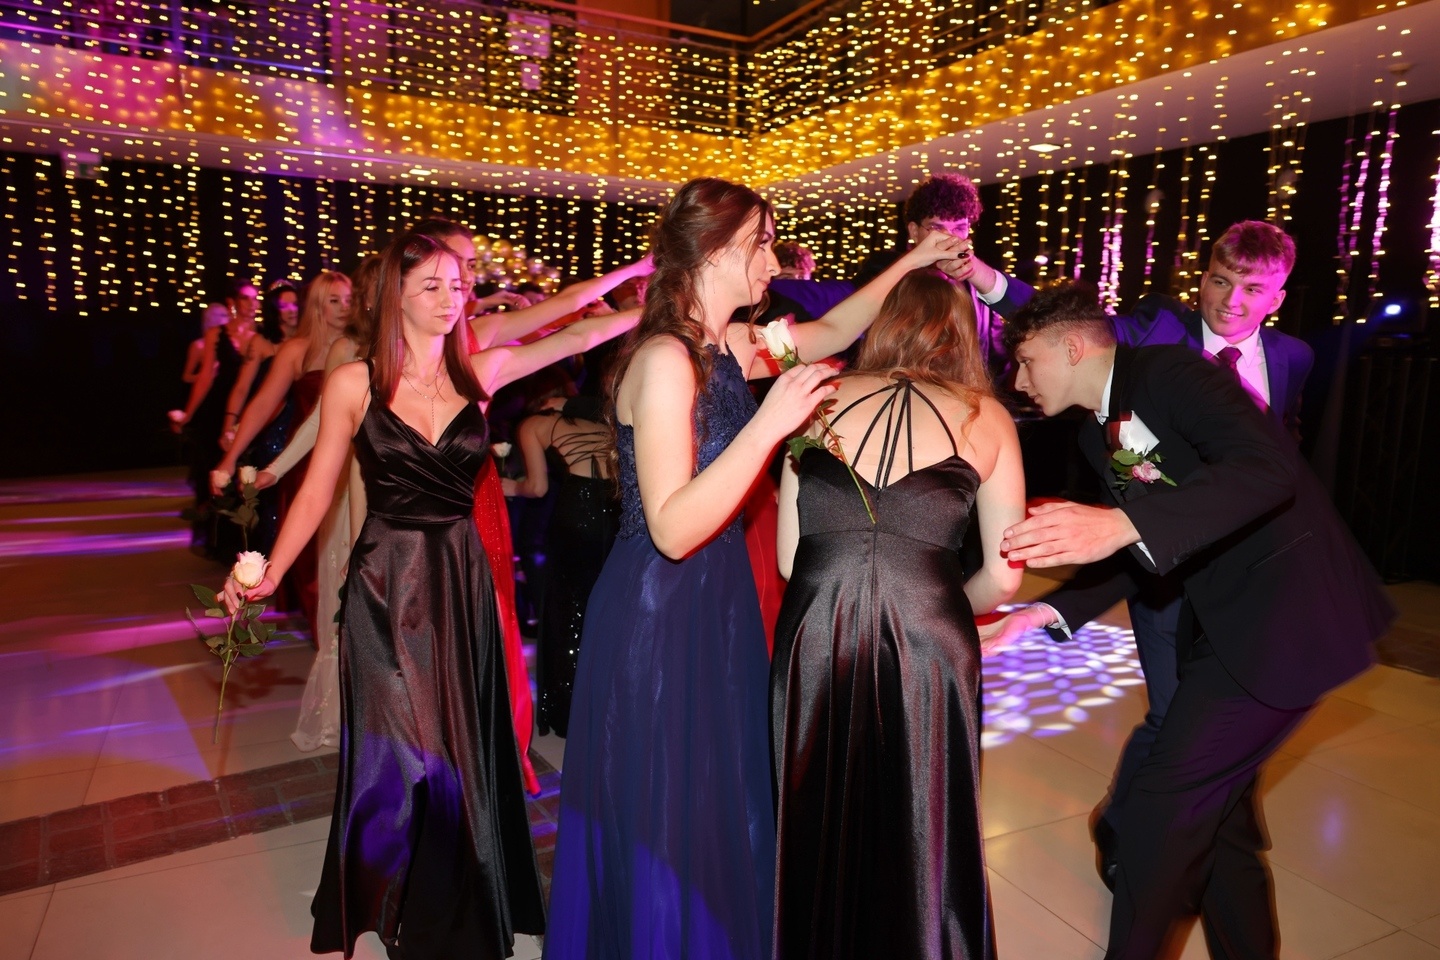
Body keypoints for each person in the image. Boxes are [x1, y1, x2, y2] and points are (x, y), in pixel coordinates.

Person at [544, 177, 965, 959]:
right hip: (658, 611)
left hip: (719, 597)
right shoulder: (665, 361)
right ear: (714, 251)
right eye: (762, 243)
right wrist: (770, 425)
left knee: (719, 794)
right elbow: (672, 528)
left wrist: (914, 260)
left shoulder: (731, 346)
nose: (774, 261)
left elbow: (835, 327)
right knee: (667, 807)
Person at [980, 280, 1394, 960]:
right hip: (1225, 630)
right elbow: (1137, 551)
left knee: (1156, 811)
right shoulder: (1092, 433)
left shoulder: (1171, 372)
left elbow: (1266, 469)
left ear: (1072, 346)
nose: (1019, 381)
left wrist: (1122, 522)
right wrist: (1042, 613)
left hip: (1289, 623)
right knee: (1221, 824)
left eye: (1025, 361)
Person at [221, 231, 548, 958]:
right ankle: (392, 893)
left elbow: (582, 330)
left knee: (457, 747)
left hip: (460, 580)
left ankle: (451, 898)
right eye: (431, 285)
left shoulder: (479, 372)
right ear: (393, 295)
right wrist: (269, 570)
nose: (450, 298)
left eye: (458, 284)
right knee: (399, 752)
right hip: (385, 583)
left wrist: (654, 287)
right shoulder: (354, 382)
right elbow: (318, 490)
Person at [975, 220, 1315, 889]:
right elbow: (1063, 325)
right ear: (1203, 276)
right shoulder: (1158, 332)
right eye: (1220, 280)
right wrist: (985, 279)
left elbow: (1277, 457)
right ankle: (1138, 839)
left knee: (1214, 721)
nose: (1232, 301)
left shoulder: (1295, 357)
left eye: (1252, 289)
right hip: (1159, 574)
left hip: (1245, 577)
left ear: (1277, 297)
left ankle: (1163, 829)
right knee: (1172, 714)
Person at [769, 268, 1025, 959]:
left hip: (820, 622)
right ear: (963, 334)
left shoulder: (816, 400)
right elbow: (1004, 573)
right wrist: (943, 604)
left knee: (818, 800)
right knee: (924, 808)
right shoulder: (986, 416)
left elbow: (790, 562)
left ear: (880, 323)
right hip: (929, 630)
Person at [413, 216, 651, 795]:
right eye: (454, 266)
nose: (465, 279)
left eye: (470, 268)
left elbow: (572, 321)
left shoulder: (481, 337)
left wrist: (644, 278)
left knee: (487, 620)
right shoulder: (391, 361)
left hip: (475, 500)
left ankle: (486, 741)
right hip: (414, 512)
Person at [214, 270, 353, 639]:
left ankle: (349, 636)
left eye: (349, 299)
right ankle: (329, 638)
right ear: (316, 307)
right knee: (312, 558)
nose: (344, 307)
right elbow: (262, 404)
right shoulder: (296, 350)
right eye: (333, 300)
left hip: (353, 463)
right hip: (304, 461)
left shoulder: (365, 347)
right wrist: (230, 457)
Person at [507, 392, 618, 737]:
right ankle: (603, 706)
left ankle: (568, 709)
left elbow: (538, 488)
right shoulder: (603, 425)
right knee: (605, 607)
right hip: (614, 511)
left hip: (576, 511)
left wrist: (508, 486)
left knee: (566, 609)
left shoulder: (534, 425)